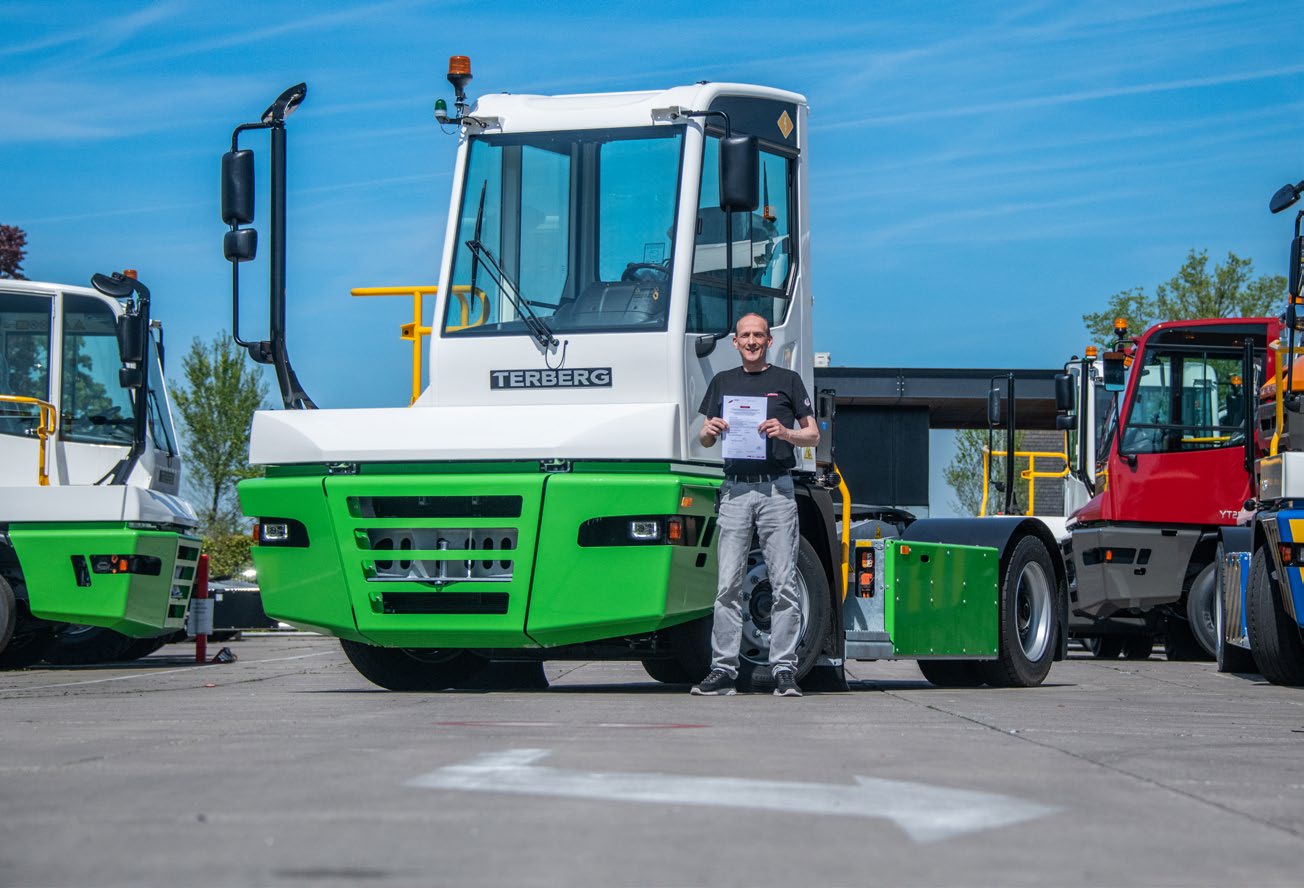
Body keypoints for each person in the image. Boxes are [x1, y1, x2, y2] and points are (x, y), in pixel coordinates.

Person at [691, 312, 819, 697]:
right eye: (745, 335)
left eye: (758, 335)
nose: (751, 341)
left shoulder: (788, 381)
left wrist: (786, 432)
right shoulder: (722, 383)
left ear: (768, 341)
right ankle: (723, 671)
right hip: (734, 490)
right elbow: (705, 439)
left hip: (776, 491)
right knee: (727, 585)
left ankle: (783, 670)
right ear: (735, 342)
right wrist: (709, 432)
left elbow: (812, 435)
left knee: (784, 585)